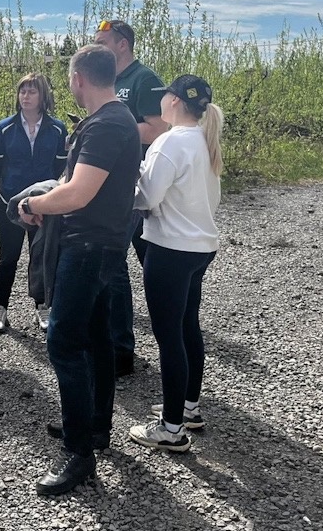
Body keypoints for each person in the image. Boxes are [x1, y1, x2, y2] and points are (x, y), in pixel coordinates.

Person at [18, 45, 140, 496]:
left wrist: (31, 204)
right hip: (102, 244)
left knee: (64, 343)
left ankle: (78, 453)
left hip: (89, 247)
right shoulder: (113, 119)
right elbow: (73, 186)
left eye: (70, 78)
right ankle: (96, 429)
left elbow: (78, 194)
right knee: (98, 340)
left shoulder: (107, 123)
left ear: (78, 79)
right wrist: (50, 198)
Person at [128, 74, 224, 452]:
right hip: (200, 247)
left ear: (174, 101)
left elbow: (147, 198)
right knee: (187, 327)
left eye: (164, 95)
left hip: (170, 249)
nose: (160, 102)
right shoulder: (205, 139)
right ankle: (188, 406)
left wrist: (131, 180)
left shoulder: (168, 142)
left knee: (168, 337)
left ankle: (170, 429)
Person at [93, 19, 166, 377]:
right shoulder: (109, 81)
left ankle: (123, 349)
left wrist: (110, 128)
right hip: (109, 182)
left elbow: (158, 128)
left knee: (124, 265)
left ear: (122, 44)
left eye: (102, 41)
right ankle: (128, 342)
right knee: (131, 261)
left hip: (136, 184)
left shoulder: (144, 79)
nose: (96, 46)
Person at [0, 73, 68, 333]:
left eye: (32, 92)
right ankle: (0, 308)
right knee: (7, 257)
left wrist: (42, 196)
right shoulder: (4, 128)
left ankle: (43, 307)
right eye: (22, 92)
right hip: (9, 202)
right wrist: (13, 189)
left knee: (41, 256)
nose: (26, 97)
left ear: (43, 96)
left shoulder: (57, 128)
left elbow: (60, 165)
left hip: (43, 204)